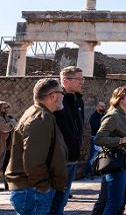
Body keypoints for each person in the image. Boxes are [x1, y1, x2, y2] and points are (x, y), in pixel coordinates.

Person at [5, 78, 68, 215]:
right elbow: (33, 160)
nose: (63, 95)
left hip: (32, 189)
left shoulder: (41, 114)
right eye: (62, 92)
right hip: (33, 190)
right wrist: (43, 186)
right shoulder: (41, 117)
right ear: (53, 96)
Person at [92, 86, 126, 215]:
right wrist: (121, 140)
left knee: (118, 203)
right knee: (114, 203)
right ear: (120, 98)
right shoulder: (113, 116)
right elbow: (99, 139)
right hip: (116, 163)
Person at [49, 66, 85, 215]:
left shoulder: (78, 100)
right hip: (58, 160)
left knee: (62, 202)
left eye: (83, 79)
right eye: (79, 79)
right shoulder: (55, 100)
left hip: (72, 158)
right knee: (51, 202)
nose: (82, 82)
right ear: (65, 80)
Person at [84, 102, 106, 179]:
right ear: (97, 107)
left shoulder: (104, 116)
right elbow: (95, 126)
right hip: (95, 139)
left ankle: (98, 172)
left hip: (103, 139)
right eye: (101, 106)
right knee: (92, 157)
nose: (103, 108)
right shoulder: (93, 117)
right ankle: (87, 173)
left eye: (104, 106)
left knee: (101, 156)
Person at [0, 101, 18, 190]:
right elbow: (4, 128)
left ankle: (7, 185)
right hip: (1, 146)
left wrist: (12, 122)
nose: (6, 109)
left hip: (8, 147)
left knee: (7, 166)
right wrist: (12, 123)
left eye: (7, 107)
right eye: (4, 107)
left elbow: (16, 127)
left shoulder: (7, 117)